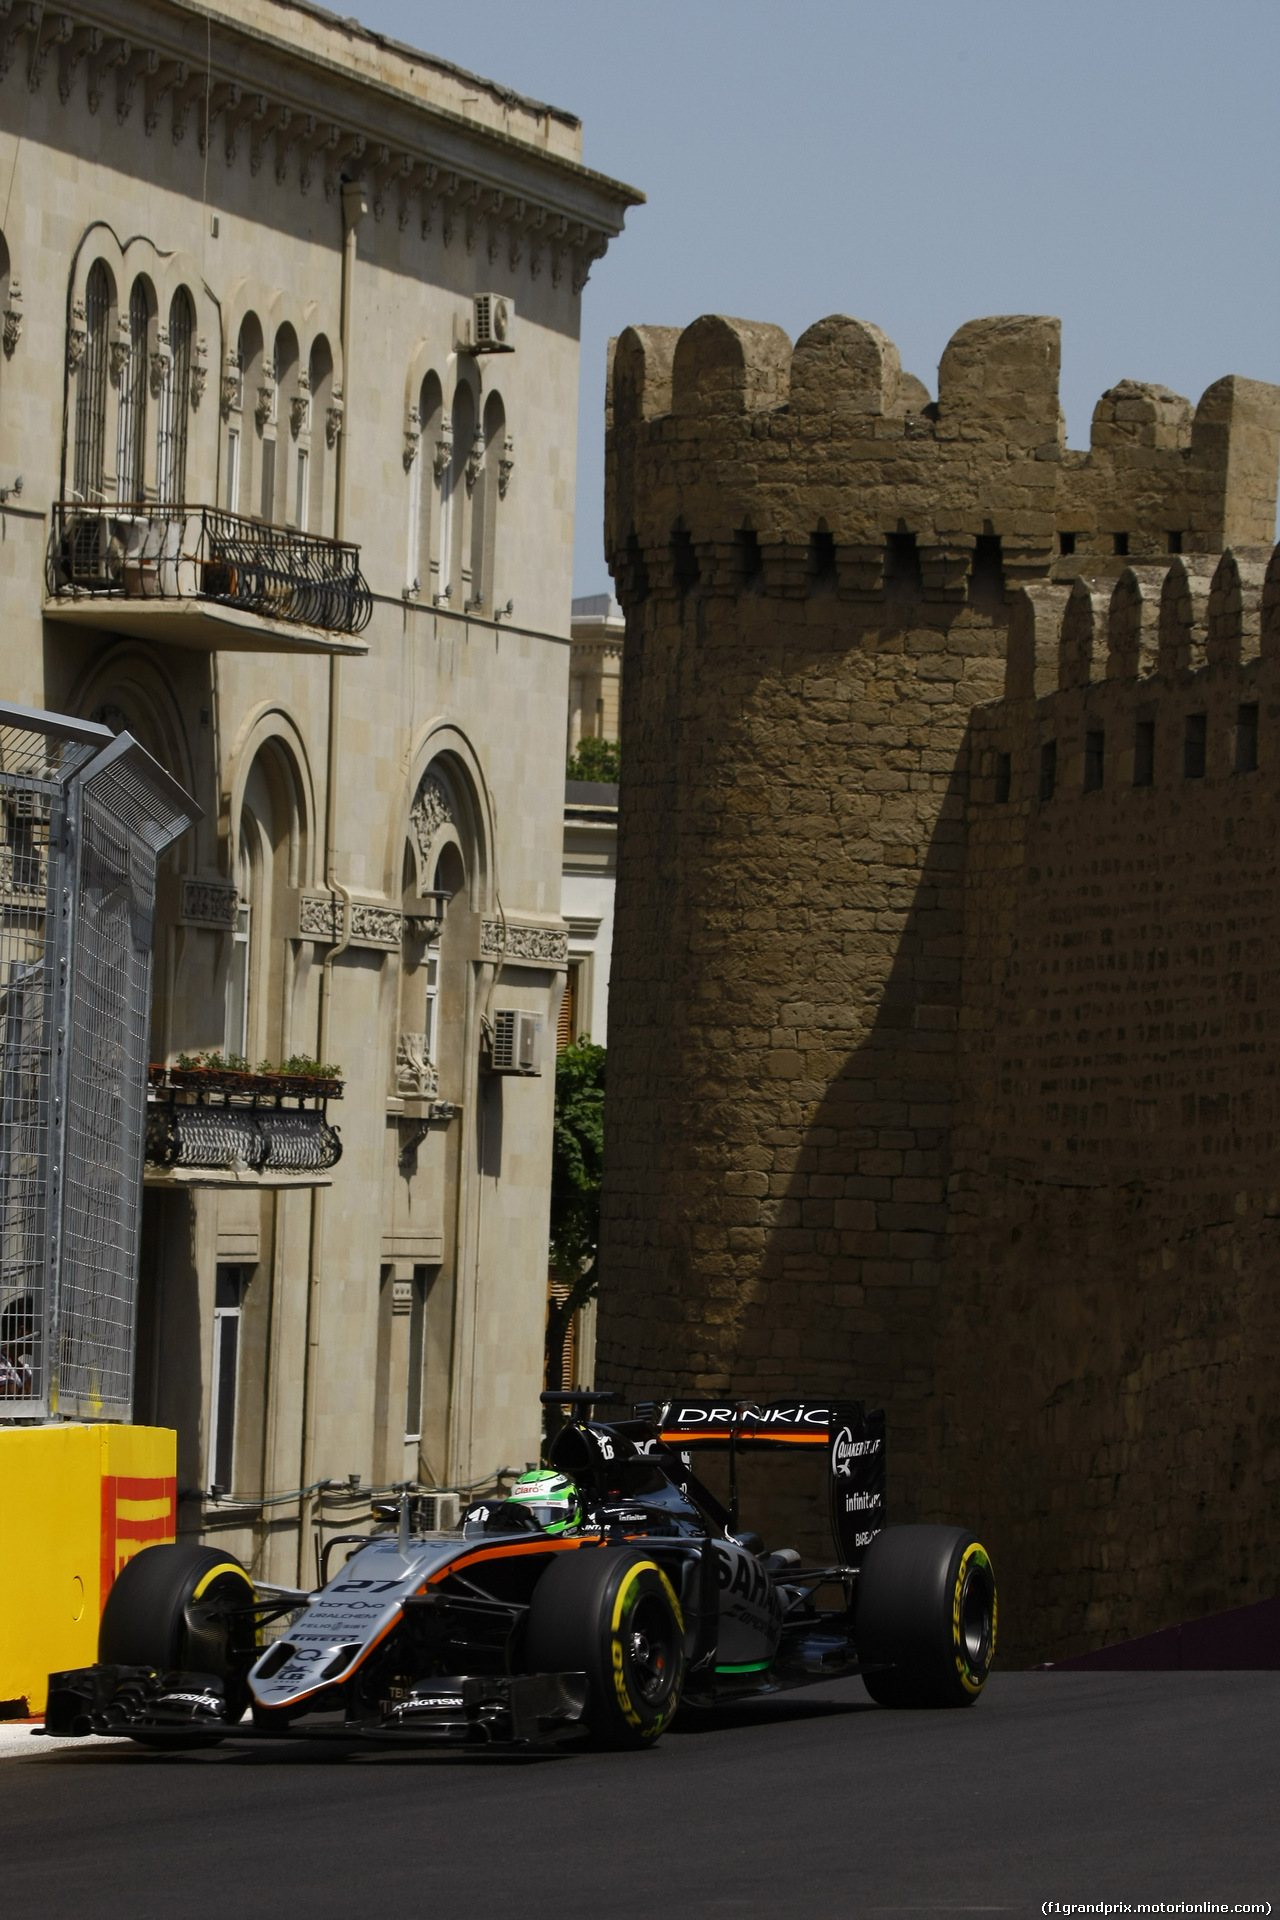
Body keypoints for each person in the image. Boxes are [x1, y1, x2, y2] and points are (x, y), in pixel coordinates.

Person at [0, 1292, 36, 1397]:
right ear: (23, 1331)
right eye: (38, 1331)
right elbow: (10, 1395)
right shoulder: (3, 1364)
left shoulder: (22, 1370)